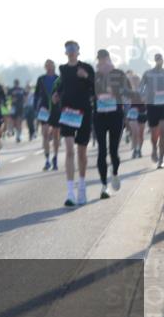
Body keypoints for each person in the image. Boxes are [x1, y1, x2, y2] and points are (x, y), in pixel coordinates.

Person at [53, 41, 95, 206]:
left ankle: (82, 188)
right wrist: (56, 94)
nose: (70, 52)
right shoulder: (63, 69)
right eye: (68, 49)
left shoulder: (87, 68)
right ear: (65, 52)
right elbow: (63, 85)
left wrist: (87, 77)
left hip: (84, 112)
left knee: (81, 153)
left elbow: (96, 87)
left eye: (73, 49)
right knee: (69, 151)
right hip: (68, 113)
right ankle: (70, 192)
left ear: (78, 51)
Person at [93, 49, 127, 199]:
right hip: (99, 116)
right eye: (99, 59)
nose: (102, 62)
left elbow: (127, 91)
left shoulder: (118, 74)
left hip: (115, 116)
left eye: (104, 59)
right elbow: (89, 93)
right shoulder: (95, 76)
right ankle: (104, 186)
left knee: (113, 150)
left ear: (109, 59)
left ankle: (114, 173)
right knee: (101, 150)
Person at [34, 59, 60, 171]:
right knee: (44, 134)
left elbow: (63, 93)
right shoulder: (41, 79)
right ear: (45, 67)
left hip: (56, 109)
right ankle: (47, 159)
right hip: (44, 109)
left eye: (51, 65)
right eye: (47, 65)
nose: (49, 67)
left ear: (54, 66)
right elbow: (36, 95)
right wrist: (36, 108)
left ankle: (55, 158)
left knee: (56, 135)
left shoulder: (59, 79)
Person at [141, 52, 164, 169]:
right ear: (155, 60)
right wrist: (144, 96)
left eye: (161, 59)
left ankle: (161, 159)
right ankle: (154, 148)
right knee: (154, 134)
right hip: (152, 106)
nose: (160, 61)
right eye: (158, 59)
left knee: (163, 132)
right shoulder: (148, 73)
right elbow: (141, 87)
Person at [8, 79, 26, 143]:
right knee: (13, 121)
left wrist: (24, 102)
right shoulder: (11, 90)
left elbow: (25, 96)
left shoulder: (22, 89)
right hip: (13, 107)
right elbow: (7, 98)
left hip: (20, 107)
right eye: (15, 83)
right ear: (14, 83)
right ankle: (12, 131)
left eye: (17, 83)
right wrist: (11, 100)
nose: (16, 84)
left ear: (18, 83)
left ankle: (18, 136)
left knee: (19, 121)